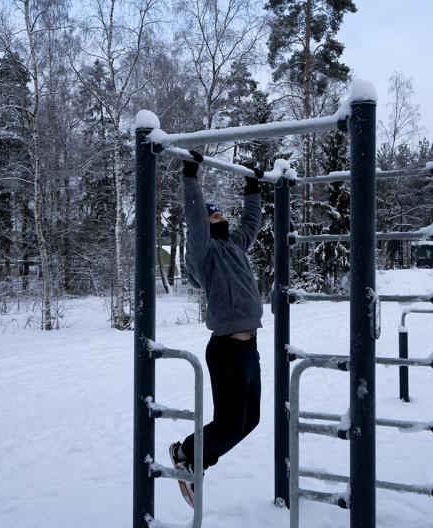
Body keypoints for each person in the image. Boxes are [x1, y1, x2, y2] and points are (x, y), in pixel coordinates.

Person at [168, 150, 264, 508]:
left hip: (249, 347)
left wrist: (252, 189)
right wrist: (191, 177)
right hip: (225, 347)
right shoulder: (203, 256)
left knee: (249, 421)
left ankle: (197, 461)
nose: (217, 213)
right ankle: (185, 452)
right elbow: (194, 222)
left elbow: (251, 223)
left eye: (219, 211)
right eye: (213, 214)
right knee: (227, 422)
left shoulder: (236, 246)